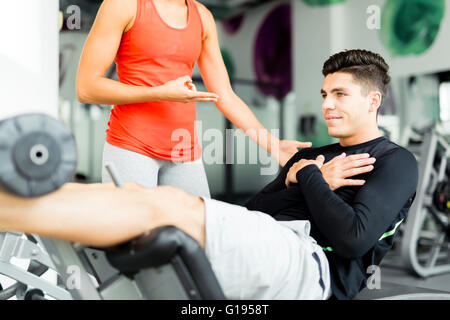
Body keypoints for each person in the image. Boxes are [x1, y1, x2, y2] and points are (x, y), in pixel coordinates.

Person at [1, 49, 417, 300]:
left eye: (340, 95)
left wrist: (307, 178)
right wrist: (303, 176)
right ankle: (15, 202)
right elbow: (257, 212)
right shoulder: (316, 155)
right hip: (274, 240)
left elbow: (352, 239)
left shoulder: (394, 160)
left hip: (315, 273)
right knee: (136, 195)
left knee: (163, 205)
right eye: (325, 94)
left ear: (373, 100)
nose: (327, 104)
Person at [76, 0, 310, 198]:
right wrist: (158, 93)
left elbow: (225, 95)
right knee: (135, 242)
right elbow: (86, 87)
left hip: (184, 151)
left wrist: (273, 145)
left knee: (197, 240)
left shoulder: (203, 17)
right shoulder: (122, 5)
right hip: (131, 146)